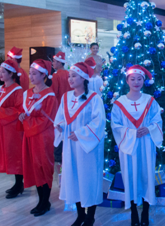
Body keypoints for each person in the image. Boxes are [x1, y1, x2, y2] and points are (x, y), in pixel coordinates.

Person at [54, 59, 105, 226]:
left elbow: (99, 122)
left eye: (74, 76)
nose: (70, 79)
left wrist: (82, 133)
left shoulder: (94, 98)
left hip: (87, 147)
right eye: (69, 76)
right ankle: (80, 214)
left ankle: (90, 216)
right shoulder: (66, 97)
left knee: (88, 178)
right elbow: (61, 118)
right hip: (70, 146)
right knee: (73, 177)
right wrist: (60, 126)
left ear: (83, 77)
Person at [111, 65, 163, 226]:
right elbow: (116, 125)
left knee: (146, 174)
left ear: (144, 81)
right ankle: (134, 211)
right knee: (130, 175)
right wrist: (132, 133)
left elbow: (157, 120)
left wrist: (148, 128)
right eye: (132, 79)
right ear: (127, 80)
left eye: (139, 79)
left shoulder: (150, 100)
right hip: (128, 146)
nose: (136, 82)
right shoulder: (119, 103)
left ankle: (146, 211)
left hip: (146, 144)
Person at [18, 59, 58, 216]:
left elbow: (48, 120)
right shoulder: (27, 93)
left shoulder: (49, 95)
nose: (31, 76)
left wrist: (28, 123)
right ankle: (41, 201)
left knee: (44, 167)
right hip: (30, 136)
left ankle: (45, 202)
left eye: (34, 74)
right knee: (34, 167)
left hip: (43, 136)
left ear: (44, 75)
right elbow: (25, 112)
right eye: (30, 73)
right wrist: (22, 116)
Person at [0, 59, 24, 199]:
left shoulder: (17, 90)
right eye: (0, 71)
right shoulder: (2, 89)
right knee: (8, 153)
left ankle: (19, 183)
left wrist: (1, 112)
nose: (1, 74)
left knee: (15, 154)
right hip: (3, 127)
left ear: (11, 74)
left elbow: (19, 110)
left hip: (13, 128)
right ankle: (17, 184)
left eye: (4, 72)